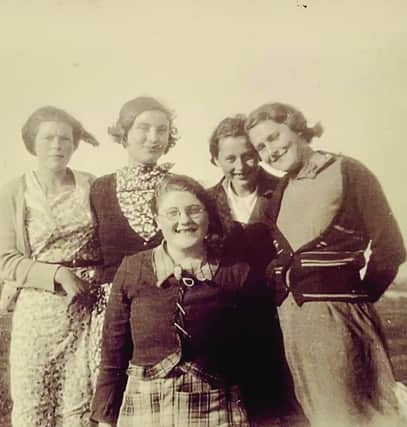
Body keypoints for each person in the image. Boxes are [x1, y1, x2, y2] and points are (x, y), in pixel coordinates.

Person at [245, 102, 407, 427]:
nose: (270, 151)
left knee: (357, 416)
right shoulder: (279, 191)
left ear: (296, 126)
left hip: (338, 320)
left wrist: (353, 298)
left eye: (274, 137)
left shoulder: (347, 170)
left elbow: (390, 247)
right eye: (261, 147)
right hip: (292, 323)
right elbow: (256, 248)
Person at [91, 174, 251, 426]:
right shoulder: (133, 269)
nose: (184, 220)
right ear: (157, 220)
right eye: (172, 213)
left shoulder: (235, 273)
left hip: (215, 407)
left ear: (208, 216)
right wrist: (105, 418)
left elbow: (253, 353)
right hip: (145, 405)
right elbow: (113, 351)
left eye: (193, 210)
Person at [0, 106, 102, 426]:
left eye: (65, 139)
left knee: (80, 406)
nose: (57, 145)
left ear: (75, 144)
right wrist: (57, 274)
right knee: (32, 404)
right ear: (33, 144)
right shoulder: (15, 191)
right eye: (48, 138)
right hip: (37, 309)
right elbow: (7, 261)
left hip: (87, 309)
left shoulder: (92, 186)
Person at [207, 115, 304, 426]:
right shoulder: (205, 202)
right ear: (215, 159)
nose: (241, 166)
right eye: (230, 158)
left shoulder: (285, 191)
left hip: (280, 314)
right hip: (226, 318)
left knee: (285, 407)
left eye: (248, 155)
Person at [87, 96, 179, 384]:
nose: (154, 138)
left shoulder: (180, 187)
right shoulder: (99, 189)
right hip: (112, 314)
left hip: (168, 311)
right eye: (144, 128)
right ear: (124, 133)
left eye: (162, 130)